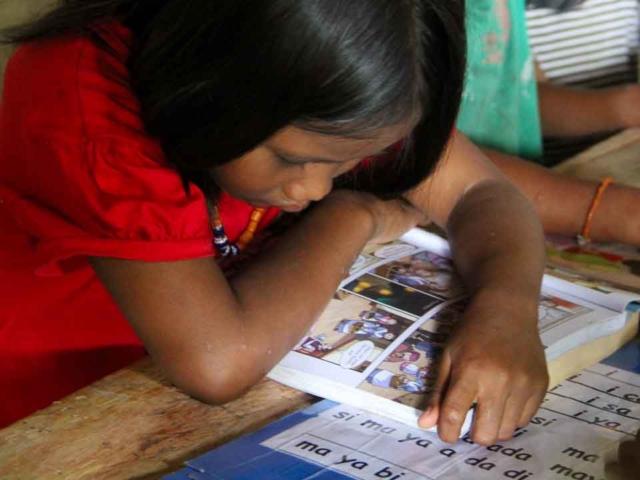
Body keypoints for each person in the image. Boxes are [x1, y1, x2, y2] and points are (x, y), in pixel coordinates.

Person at [0, 0, 550, 446]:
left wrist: (507, 308)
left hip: (195, 382)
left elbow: (481, 190)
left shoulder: (365, 83)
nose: (313, 188)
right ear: (212, 84)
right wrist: (351, 215)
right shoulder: (84, 95)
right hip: (53, 402)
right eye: (290, 160)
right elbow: (217, 367)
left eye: (348, 164)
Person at [461, 0, 640, 247]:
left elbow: (516, 98)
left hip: (524, 204)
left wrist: (628, 107)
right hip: (477, 214)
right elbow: (431, 156)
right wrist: (618, 213)